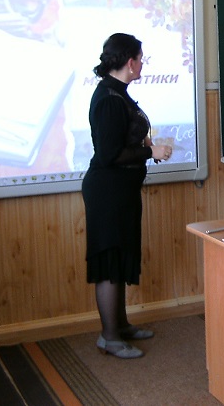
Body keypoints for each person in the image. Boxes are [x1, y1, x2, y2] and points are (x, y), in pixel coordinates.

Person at [82, 33, 172, 359]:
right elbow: (108, 155)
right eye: (141, 59)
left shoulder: (117, 92)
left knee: (119, 257)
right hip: (108, 192)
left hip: (121, 190)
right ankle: (109, 337)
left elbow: (122, 139)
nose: (143, 64)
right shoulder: (109, 98)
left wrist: (144, 146)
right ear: (130, 62)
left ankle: (120, 325)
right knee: (110, 261)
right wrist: (150, 152)